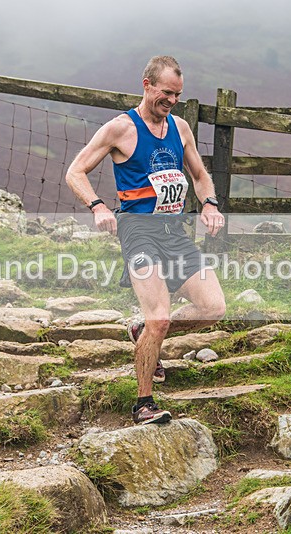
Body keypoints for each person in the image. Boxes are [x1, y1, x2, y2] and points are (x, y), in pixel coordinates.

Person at [65, 56, 226, 425]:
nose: (171, 101)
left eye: (177, 95)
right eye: (166, 93)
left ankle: (141, 332)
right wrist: (98, 206)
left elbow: (200, 175)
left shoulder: (181, 127)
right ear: (147, 84)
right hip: (138, 231)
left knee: (213, 308)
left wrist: (210, 203)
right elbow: (75, 171)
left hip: (175, 232)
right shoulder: (120, 128)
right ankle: (143, 403)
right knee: (159, 318)